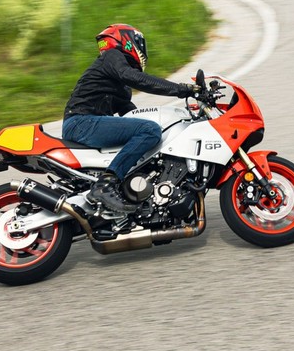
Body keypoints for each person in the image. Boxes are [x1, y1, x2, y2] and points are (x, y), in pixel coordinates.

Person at [62, 24, 195, 213]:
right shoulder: (111, 57)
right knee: (150, 130)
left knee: (152, 129)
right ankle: (105, 185)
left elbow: (132, 115)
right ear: (126, 41)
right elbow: (135, 77)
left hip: (86, 123)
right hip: (81, 122)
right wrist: (182, 90)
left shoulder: (118, 81)